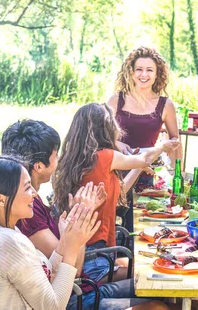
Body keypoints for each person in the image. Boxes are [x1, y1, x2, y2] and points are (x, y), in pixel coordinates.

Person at [0, 156, 158, 310]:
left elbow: (44, 273)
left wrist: (66, 241)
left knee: (156, 295)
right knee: (158, 308)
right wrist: (72, 248)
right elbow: (54, 306)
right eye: (28, 188)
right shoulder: (7, 241)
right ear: (1, 200)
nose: (34, 194)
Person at [2, 119, 166, 310]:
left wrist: (76, 218)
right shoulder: (27, 212)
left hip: (85, 289)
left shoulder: (32, 201)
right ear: (39, 166)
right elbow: (74, 271)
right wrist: (79, 217)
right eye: (56, 155)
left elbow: (71, 265)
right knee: (157, 306)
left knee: (159, 286)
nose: (59, 159)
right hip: (76, 299)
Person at [52, 103, 180, 283]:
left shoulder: (78, 159)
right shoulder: (104, 156)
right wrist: (161, 146)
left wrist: (138, 167)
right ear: (106, 127)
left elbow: (118, 195)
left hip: (88, 253)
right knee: (158, 274)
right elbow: (144, 157)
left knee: (150, 265)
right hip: (96, 259)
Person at [107, 46, 181, 233]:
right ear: (131, 72)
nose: (143, 74)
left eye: (149, 70)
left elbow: (175, 140)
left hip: (144, 176)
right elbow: (98, 135)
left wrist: (177, 175)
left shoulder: (166, 104)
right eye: (139, 69)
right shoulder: (116, 100)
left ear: (157, 74)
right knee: (113, 225)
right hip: (114, 172)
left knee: (140, 227)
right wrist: (117, 143)